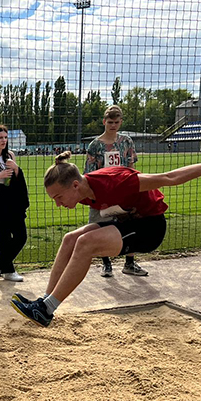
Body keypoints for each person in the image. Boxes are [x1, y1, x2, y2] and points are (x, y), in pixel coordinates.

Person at [10, 142, 201, 327]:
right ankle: (44, 304)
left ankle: (48, 308)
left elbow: (170, 178)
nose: (58, 205)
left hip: (151, 228)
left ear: (75, 185)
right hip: (128, 222)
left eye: (58, 198)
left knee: (85, 243)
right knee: (70, 239)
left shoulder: (118, 181)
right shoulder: (82, 192)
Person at [84, 105, 146, 278]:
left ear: (121, 122)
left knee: (131, 223)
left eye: (116, 122)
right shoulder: (95, 145)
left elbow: (131, 167)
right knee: (101, 226)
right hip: (103, 192)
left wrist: (134, 190)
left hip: (124, 190)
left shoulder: (126, 142)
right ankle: (106, 264)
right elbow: (89, 173)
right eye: (110, 122)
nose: (113, 125)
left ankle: (129, 263)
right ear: (104, 122)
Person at [0, 125, 29, 282]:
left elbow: (16, 180)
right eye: (0, 137)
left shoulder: (10, 155)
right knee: (3, 237)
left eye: (5, 137)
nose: (3, 140)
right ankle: (8, 270)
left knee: (21, 236)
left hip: (13, 199)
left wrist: (16, 169)